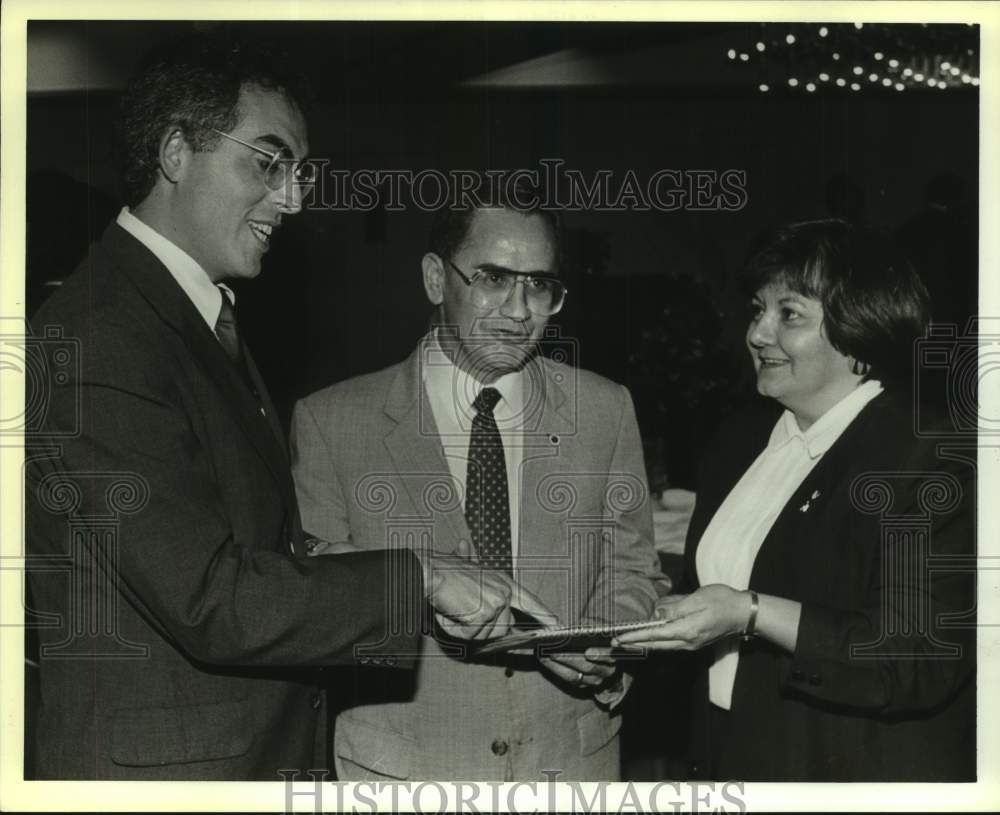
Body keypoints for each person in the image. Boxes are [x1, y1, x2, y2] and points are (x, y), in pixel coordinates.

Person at [24, 32, 543, 781]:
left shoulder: (188, 314)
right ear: (175, 152)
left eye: (300, 174)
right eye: (269, 164)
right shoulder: (98, 336)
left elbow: (244, 544)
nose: (294, 200)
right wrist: (419, 575)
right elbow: (210, 597)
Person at [291, 185, 670, 780]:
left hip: (567, 764)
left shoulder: (604, 409)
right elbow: (316, 599)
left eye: (540, 284)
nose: (520, 311)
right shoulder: (332, 421)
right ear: (436, 279)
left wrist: (605, 646)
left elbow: (633, 566)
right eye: (493, 278)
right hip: (403, 771)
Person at [616, 219, 975, 781]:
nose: (757, 332)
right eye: (758, 309)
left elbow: (913, 659)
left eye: (789, 314)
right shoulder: (739, 440)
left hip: (849, 770)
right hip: (728, 756)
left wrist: (752, 612)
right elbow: (707, 599)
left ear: (860, 329)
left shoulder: (929, 458)